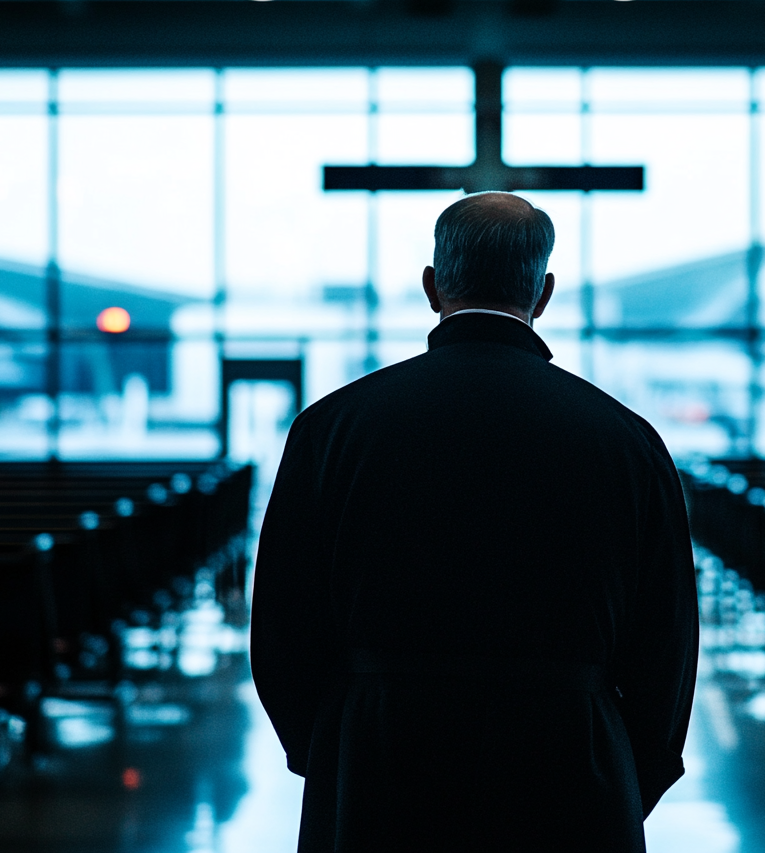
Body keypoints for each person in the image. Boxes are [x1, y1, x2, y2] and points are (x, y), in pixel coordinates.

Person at [252, 191, 698, 852]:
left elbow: (282, 632)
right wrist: (623, 771)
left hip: (379, 761)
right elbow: (667, 648)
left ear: (432, 286)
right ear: (543, 294)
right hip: (568, 762)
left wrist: (335, 750)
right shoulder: (625, 440)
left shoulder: (333, 429)